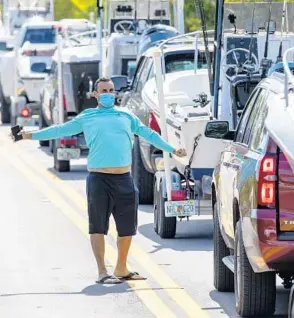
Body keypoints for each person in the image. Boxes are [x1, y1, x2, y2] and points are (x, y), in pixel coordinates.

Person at [15, 77, 186, 284]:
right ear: (95, 94)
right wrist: (28, 135)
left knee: (127, 228)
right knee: (98, 226)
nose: (108, 93)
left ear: (115, 93)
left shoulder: (126, 115)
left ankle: (121, 268)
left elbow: (149, 134)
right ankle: (102, 271)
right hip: (98, 179)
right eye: (103, 90)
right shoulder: (87, 116)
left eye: (111, 90)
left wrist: (172, 149)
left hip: (124, 178)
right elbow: (59, 130)